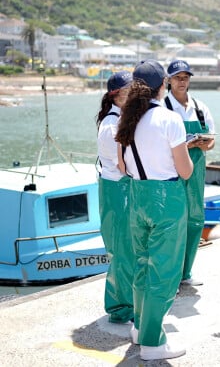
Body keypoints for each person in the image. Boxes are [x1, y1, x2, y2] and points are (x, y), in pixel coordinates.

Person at [115, 59, 193, 361]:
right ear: (163, 85)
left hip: (137, 197)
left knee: (142, 266)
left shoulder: (127, 118)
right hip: (166, 199)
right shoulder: (168, 118)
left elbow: (122, 166)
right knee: (164, 272)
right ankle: (152, 342)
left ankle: (139, 328)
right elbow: (185, 171)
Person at [165, 59, 216, 286]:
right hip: (170, 171)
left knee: (195, 220)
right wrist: (184, 145)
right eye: (177, 77)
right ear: (168, 80)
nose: (182, 81)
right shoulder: (161, 107)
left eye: (185, 77)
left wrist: (203, 143)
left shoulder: (200, 108)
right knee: (171, 221)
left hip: (196, 170)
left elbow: (212, 140)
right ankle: (169, 277)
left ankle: (185, 273)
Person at [96, 70, 134, 324]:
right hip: (116, 190)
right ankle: (120, 308)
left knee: (125, 249)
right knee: (120, 250)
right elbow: (122, 165)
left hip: (118, 189)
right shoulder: (112, 125)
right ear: (118, 95)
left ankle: (126, 302)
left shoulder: (118, 119)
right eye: (131, 91)